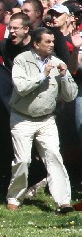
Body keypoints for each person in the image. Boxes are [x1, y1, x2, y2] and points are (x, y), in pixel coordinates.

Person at [6, 28, 78, 214]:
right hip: (22, 118)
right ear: (36, 44)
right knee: (22, 160)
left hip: (46, 119)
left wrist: (65, 75)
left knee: (54, 157)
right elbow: (21, 87)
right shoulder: (22, 60)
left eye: (53, 41)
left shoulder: (58, 63)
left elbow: (70, 96)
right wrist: (42, 76)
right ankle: (14, 197)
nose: (52, 45)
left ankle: (63, 202)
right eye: (47, 42)